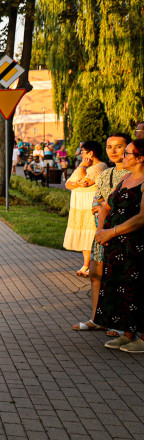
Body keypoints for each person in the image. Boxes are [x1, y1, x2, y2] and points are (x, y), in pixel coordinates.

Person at [73, 134, 131, 334]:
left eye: (119, 146)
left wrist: (106, 207)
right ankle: (97, 318)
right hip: (101, 230)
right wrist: (100, 209)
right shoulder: (107, 173)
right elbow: (97, 199)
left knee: (120, 277)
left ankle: (121, 323)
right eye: (109, 147)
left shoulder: (134, 173)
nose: (113, 151)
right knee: (97, 274)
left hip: (122, 232)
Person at [94, 138, 144, 352]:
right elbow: (107, 206)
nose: (123, 156)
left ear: (141, 158)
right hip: (117, 247)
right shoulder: (125, 179)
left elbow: (142, 217)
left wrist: (111, 231)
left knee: (138, 289)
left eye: (128, 153)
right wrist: (100, 231)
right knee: (122, 289)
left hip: (136, 245)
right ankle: (128, 333)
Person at [63, 140, 107, 276]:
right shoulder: (84, 165)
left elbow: (85, 181)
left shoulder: (100, 166)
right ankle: (86, 264)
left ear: (91, 153)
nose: (81, 155)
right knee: (83, 234)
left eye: (83, 152)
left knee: (91, 233)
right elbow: (68, 184)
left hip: (88, 203)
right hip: (78, 204)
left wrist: (81, 168)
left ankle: (93, 265)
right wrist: (79, 178)